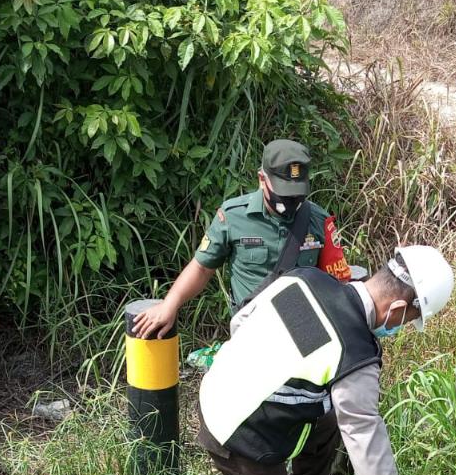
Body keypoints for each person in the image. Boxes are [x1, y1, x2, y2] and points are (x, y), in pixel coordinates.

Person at [196, 245, 455, 475]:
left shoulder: (305, 280)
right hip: (236, 431)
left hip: (217, 385)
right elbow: (365, 437)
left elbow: (243, 319)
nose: (400, 329)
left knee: (331, 414)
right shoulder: (355, 352)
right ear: (399, 307)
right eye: (408, 321)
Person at [131, 139, 349, 340]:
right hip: (252, 333)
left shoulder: (318, 220)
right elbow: (202, 268)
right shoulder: (234, 217)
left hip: (303, 333)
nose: (291, 200)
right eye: (284, 192)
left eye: (296, 193)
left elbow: (338, 284)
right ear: (262, 179)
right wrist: (170, 304)